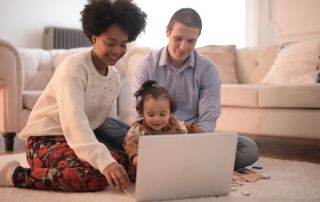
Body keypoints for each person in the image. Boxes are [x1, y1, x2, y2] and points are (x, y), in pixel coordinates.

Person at [0, 0, 146, 192]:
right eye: (110, 43)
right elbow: (74, 122)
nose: (118, 51)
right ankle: (14, 174)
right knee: (90, 177)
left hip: (79, 140)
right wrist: (105, 162)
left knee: (134, 167)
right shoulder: (74, 68)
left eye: (123, 45)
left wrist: (125, 149)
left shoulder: (114, 78)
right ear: (94, 37)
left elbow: (100, 122)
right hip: (45, 140)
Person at [131, 8, 259, 170]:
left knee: (248, 148)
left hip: (191, 136)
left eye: (191, 41)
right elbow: (139, 112)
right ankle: (193, 164)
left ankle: (170, 163)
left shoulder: (207, 69)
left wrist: (195, 144)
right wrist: (156, 141)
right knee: (114, 129)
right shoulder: (146, 65)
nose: (183, 47)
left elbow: (208, 116)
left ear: (197, 38)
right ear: (167, 32)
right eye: (178, 38)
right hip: (153, 134)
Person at [123, 80, 204, 167]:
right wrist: (136, 157)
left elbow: (189, 128)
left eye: (162, 114)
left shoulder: (175, 124)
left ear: (170, 113)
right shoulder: (138, 128)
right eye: (151, 114)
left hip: (173, 161)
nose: (157, 119)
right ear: (143, 113)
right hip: (150, 163)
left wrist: (203, 136)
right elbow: (131, 144)